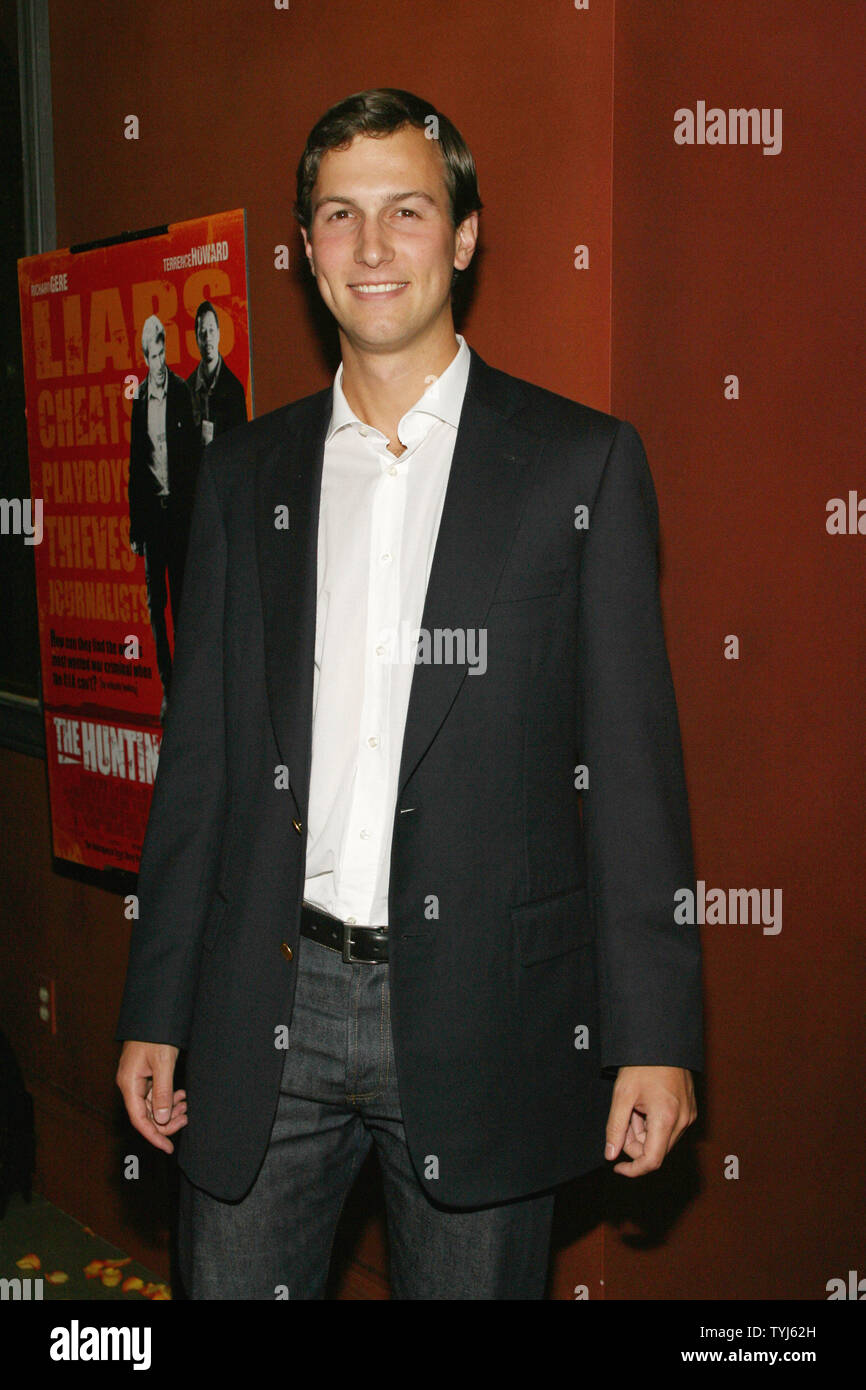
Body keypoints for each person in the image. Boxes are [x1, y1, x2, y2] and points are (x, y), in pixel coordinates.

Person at [116, 88, 703, 1300]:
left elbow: (633, 773)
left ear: (465, 234)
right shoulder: (241, 476)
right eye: (339, 216)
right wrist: (155, 1004)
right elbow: (203, 767)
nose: (372, 248)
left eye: (406, 211)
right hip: (261, 1002)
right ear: (305, 246)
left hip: (487, 1012)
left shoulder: (575, 466)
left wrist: (653, 1037)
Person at [127, 315, 199, 721]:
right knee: (157, 606)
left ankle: (189, 686)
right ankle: (169, 687)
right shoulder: (138, 399)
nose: (157, 362)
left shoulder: (183, 392)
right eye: (151, 356)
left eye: (161, 352)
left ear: (166, 351)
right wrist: (136, 526)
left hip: (180, 515)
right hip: (153, 516)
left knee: (184, 603)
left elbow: (193, 459)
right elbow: (135, 465)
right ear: (144, 357)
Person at [186, 300, 248, 447]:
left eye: (212, 330)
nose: (208, 338)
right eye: (202, 333)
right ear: (196, 338)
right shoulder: (186, 391)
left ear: (219, 334)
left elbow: (242, 447)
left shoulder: (234, 389)